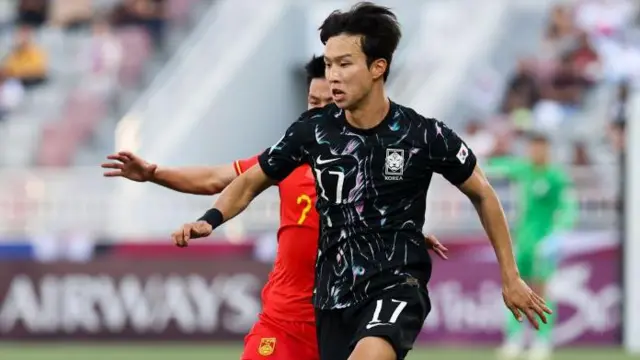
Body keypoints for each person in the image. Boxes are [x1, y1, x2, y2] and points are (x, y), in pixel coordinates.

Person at [173, 3, 552, 360]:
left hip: (396, 284)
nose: (333, 75)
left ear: (377, 67)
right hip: (333, 295)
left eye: (344, 64)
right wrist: (211, 218)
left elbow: (482, 193)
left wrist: (510, 275)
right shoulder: (313, 132)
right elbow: (252, 180)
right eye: (329, 64)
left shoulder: (423, 135)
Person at [103, 55, 449, 360]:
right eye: (313, 101)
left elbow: (387, 218)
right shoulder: (288, 156)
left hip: (343, 317)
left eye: (328, 103)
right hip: (283, 320)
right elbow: (215, 177)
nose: (318, 111)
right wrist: (155, 174)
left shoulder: (372, 164)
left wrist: (409, 234)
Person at [487, 133, 577, 360]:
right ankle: (514, 340)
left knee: (542, 291)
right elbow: (497, 167)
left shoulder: (556, 176)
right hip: (522, 241)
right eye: (532, 147)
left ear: (547, 149)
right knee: (514, 287)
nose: (535, 151)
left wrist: (558, 235)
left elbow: (568, 207)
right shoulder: (524, 170)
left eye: (540, 147)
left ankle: (542, 341)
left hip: (544, 243)